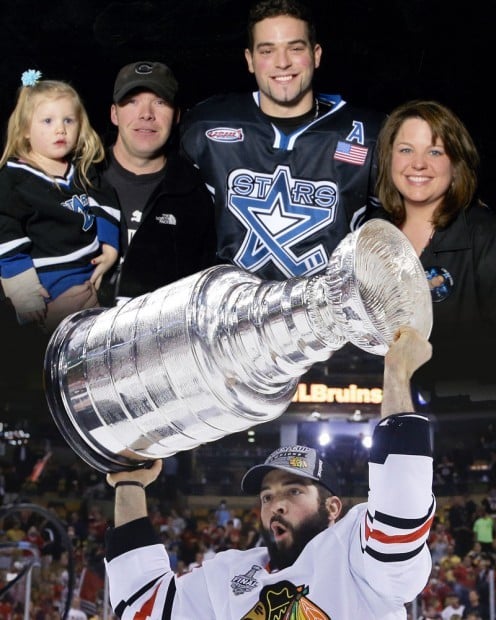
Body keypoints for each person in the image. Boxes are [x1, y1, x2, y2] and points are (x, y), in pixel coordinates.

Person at [104, 325, 435, 619]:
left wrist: (396, 372)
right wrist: (130, 482)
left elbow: (399, 513)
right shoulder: (229, 575)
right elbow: (144, 606)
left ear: (332, 507)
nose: (275, 505)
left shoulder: (354, 553)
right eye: (266, 496)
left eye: (293, 491)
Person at [180, 0, 385, 281]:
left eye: (295, 48)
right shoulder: (207, 126)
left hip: (329, 315)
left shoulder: (370, 135)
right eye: (267, 50)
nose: (282, 62)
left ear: (316, 55)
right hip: (234, 315)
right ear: (250, 60)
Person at [366, 99, 496, 399]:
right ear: (388, 159)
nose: (418, 163)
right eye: (406, 150)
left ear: (456, 162)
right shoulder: (370, 235)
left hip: (467, 415)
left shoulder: (484, 234)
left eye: (435, 151)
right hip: (377, 404)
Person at [0, 69, 119, 333]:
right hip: (43, 280)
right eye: (47, 121)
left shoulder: (83, 169)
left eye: (68, 120)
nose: (60, 129)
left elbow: (105, 201)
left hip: (89, 270)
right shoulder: (13, 178)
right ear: (25, 130)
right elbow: (5, 233)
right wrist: (24, 292)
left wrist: (110, 247)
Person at [98, 60, 217, 305]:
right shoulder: (78, 178)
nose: (146, 114)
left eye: (160, 102)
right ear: (113, 114)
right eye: (132, 101)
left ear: (176, 117)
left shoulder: (196, 194)